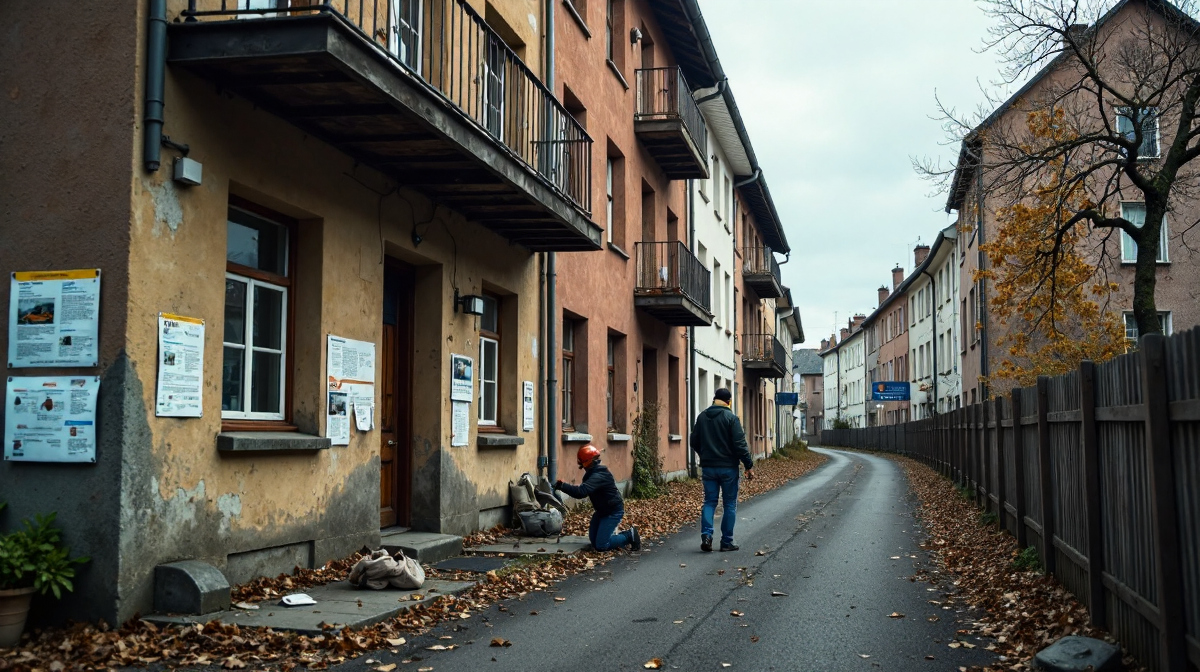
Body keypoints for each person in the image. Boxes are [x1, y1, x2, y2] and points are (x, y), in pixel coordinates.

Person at [690, 387, 754, 552]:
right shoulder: (731, 418)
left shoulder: (702, 417)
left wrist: (704, 455)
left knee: (710, 502)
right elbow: (740, 445)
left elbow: (694, 441)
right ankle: (726, 542)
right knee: (729, 504)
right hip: (728, 469)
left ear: (714, 399)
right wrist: (748, 465)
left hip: (709, 468)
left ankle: (706, 535)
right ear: (728, 401)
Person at [554, 444, 641, 552]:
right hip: (601, 511)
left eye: (582, 462)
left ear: (586, 462)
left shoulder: (599, 475)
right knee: (594, 542)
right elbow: (582, 492)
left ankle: (629, 535)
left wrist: (562, 486)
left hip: (612, 511)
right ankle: (618, 539)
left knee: (601, 545)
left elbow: (581, 492)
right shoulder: (592, 474)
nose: (582, 465)